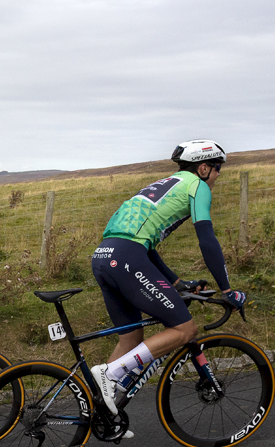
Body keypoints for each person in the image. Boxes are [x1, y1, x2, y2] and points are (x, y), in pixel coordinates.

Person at [89, 139, 245, 414]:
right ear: (205, 168)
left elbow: (144, 247)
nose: (219, 175)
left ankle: (99, 411)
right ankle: (110, 374)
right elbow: (207, 240)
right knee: (185, 330)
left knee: (130, 339)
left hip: (104, 256)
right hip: (126, 256)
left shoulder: (164, 185)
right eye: (219, 168)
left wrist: (176, 284)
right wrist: (227, 290)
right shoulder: (197, 186)